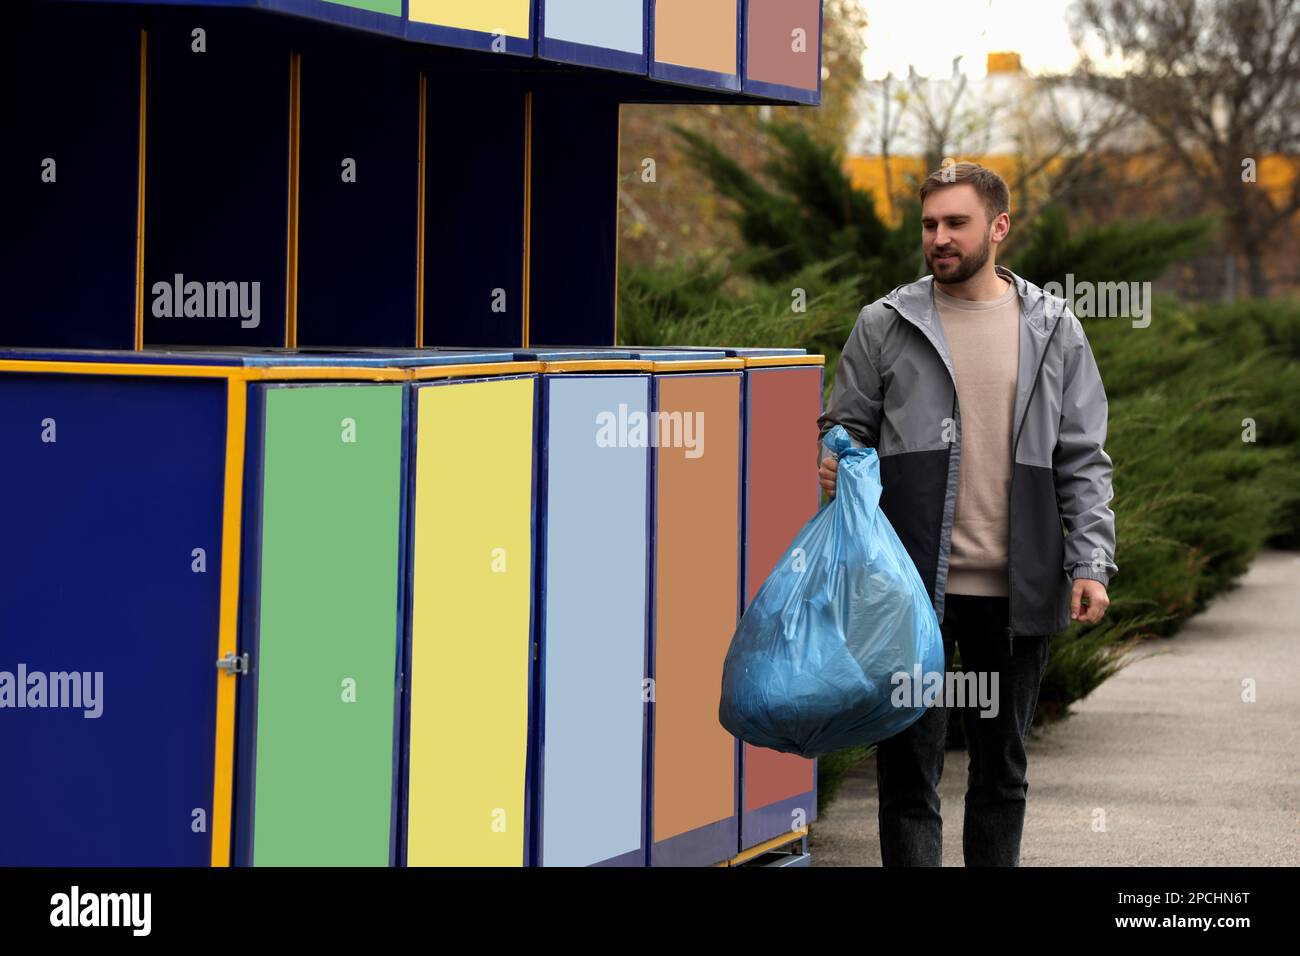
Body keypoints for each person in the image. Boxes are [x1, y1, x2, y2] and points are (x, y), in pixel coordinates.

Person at [816, 162, 1117, 866]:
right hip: (909, 591)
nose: (940, 239)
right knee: (907, 776)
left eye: (956, 223)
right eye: (929, 225)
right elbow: (844, 426)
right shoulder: (884, 323)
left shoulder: (1054, 328)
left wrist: (1091, 563)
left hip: (1017, 589)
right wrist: (836, 456)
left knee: (1001, 775)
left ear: (999, 227)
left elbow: (1083, 457)